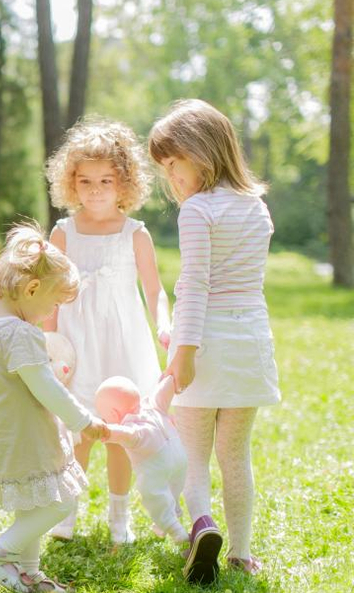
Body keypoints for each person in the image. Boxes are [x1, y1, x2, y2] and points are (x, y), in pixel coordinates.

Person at [149, 98, 281, 584]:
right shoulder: (257, 207)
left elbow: (199, 285)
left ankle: (203, 525)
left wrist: (182, 353)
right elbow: (242, 282)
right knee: (236, 454)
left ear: (198, 151)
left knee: (194, 455)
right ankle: (242, 552)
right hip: (249, 341)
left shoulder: (198, 210)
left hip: (204, 342)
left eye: (172, 164)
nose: (171, 178)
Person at [43, 118, 172, 543]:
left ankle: (121, 516)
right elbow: (47, 296)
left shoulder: (135, 234)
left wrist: (164, 325)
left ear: (124, 183)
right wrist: (48, 343)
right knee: (79, 429)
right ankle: (67, 511)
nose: (95, 189)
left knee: (120, 432)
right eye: (85, 181)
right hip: (78, 344)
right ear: (71, 183)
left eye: (105, 180)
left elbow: (154, 291)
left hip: (122, 341)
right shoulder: (62, 234)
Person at [0, 222, 108, 592]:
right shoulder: (21, 332)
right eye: (54, 303)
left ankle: (29, 574)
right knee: (60, 501)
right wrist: (84, 420)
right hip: (23, 437)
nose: (52, 312)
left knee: (31, 503)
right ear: (31, 289)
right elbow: (44, 387)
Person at [96, 375, 188, 545]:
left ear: (113, 414)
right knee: (173, 487)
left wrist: (105, 431)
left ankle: (178, 534)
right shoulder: (153, 405)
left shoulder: (132, 428)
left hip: (156, 465)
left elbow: (125, 434)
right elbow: (164, 391)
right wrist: (171, 378)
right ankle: (172, 512)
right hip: (180, 457)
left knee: (154, 498)